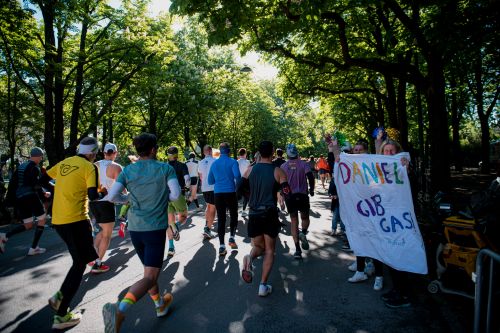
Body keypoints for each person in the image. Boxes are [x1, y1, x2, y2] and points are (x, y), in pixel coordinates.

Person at [102, 133, 180, 332]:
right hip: (154, 228)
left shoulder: (128, 170)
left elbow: (112, 197)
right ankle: (120, 310)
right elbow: (176, 194)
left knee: (149, 272)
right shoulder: (165, 168)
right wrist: (164, 197)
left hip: (135, 228)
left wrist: (126, 200)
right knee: (150, 276)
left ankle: (159, 305)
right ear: (153, 149)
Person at [46, 138, 100, 329]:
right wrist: (108, 195)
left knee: (78, 261)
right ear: (93, 153)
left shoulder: (64, 163)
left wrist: (59, 190)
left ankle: (59, 297)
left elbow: (43, 177)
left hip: (58, 220)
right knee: (79, 264)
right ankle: (61, 315)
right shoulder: (89, 167)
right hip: (76, 219)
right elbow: (93, 195)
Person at [240, 141, 289, 296]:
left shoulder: (249, 170)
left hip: (253, 213)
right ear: (273, 152)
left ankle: (249, 258)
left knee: (258, 247)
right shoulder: (278, 171)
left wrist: (251, 195)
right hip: (269, 214)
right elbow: (287, 191)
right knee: (269, 250)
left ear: (259, 153)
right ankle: (263, 285)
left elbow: (239, 190)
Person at [1, 147, 51, 256]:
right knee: (42, 219)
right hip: (30, 197)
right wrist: (44, 195)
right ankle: (34, 248)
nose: (41, 159)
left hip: (20, 199)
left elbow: (12, 184)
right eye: (41, 157)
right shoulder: (34, 168)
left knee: (28, 225)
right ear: (38, 156)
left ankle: (5, 235)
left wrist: (10, 201)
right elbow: (35, 185)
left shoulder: (21, 167)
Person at [88, 143, 123, 274]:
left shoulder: (94, 165)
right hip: (106, 202)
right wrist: (127, 199)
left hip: (93, 202)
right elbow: (121, 187)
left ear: (103, 153)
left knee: (103, 231)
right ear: (115, 153)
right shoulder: (116, 167)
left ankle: (92, 256)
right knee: (107, 235)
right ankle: (98, 264)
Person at [280, 144, 315, 259]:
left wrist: (282, 195)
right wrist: (312, 189)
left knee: (294, 221)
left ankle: (298, 250)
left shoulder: (283, 166)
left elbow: (280, 183)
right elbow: (310, 176)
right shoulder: (304, 164)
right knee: (305, 217)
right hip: (303, 195)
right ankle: (303, 233)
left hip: (290, 196)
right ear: (297, 152)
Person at [208, 142, 241, 256]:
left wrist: (219, 178)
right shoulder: (233, 162)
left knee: (221, 219)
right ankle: (231, 237)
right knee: (234, 215)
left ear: (219, 151)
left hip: (218, 194)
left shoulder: (214, 164)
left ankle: (222, 246)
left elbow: (210, 181)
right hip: (230, 192)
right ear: (229, 151)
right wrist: (238, 189)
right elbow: (237, 176)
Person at [165, 146, 190, 257]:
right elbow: (187, 179)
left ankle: (171, 247)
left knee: (170, 222)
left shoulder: (164, 167)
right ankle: (177, 226)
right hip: (177, 194)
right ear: (177, 154)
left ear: (168, 155)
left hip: (165, 195)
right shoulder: (182, 165)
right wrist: (187, 188)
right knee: (184, 216)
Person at [198, 145, 217, 240]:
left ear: (204, 152)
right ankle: (208, 229)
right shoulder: (215, 161)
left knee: (208, 206)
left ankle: (206, 225)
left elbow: (200, 176)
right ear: (210, 151)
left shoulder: (200, 162)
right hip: (213, 187)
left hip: (204, 187)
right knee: (213, 208)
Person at [237, 148, 250, 216]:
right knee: (246, 197)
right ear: (245, 154)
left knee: (236, 197)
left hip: (237, 181)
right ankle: (243, 210)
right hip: (245, 180)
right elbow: (249, 172)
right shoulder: (247, 162)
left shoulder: (236, 161)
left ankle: (232, 210)